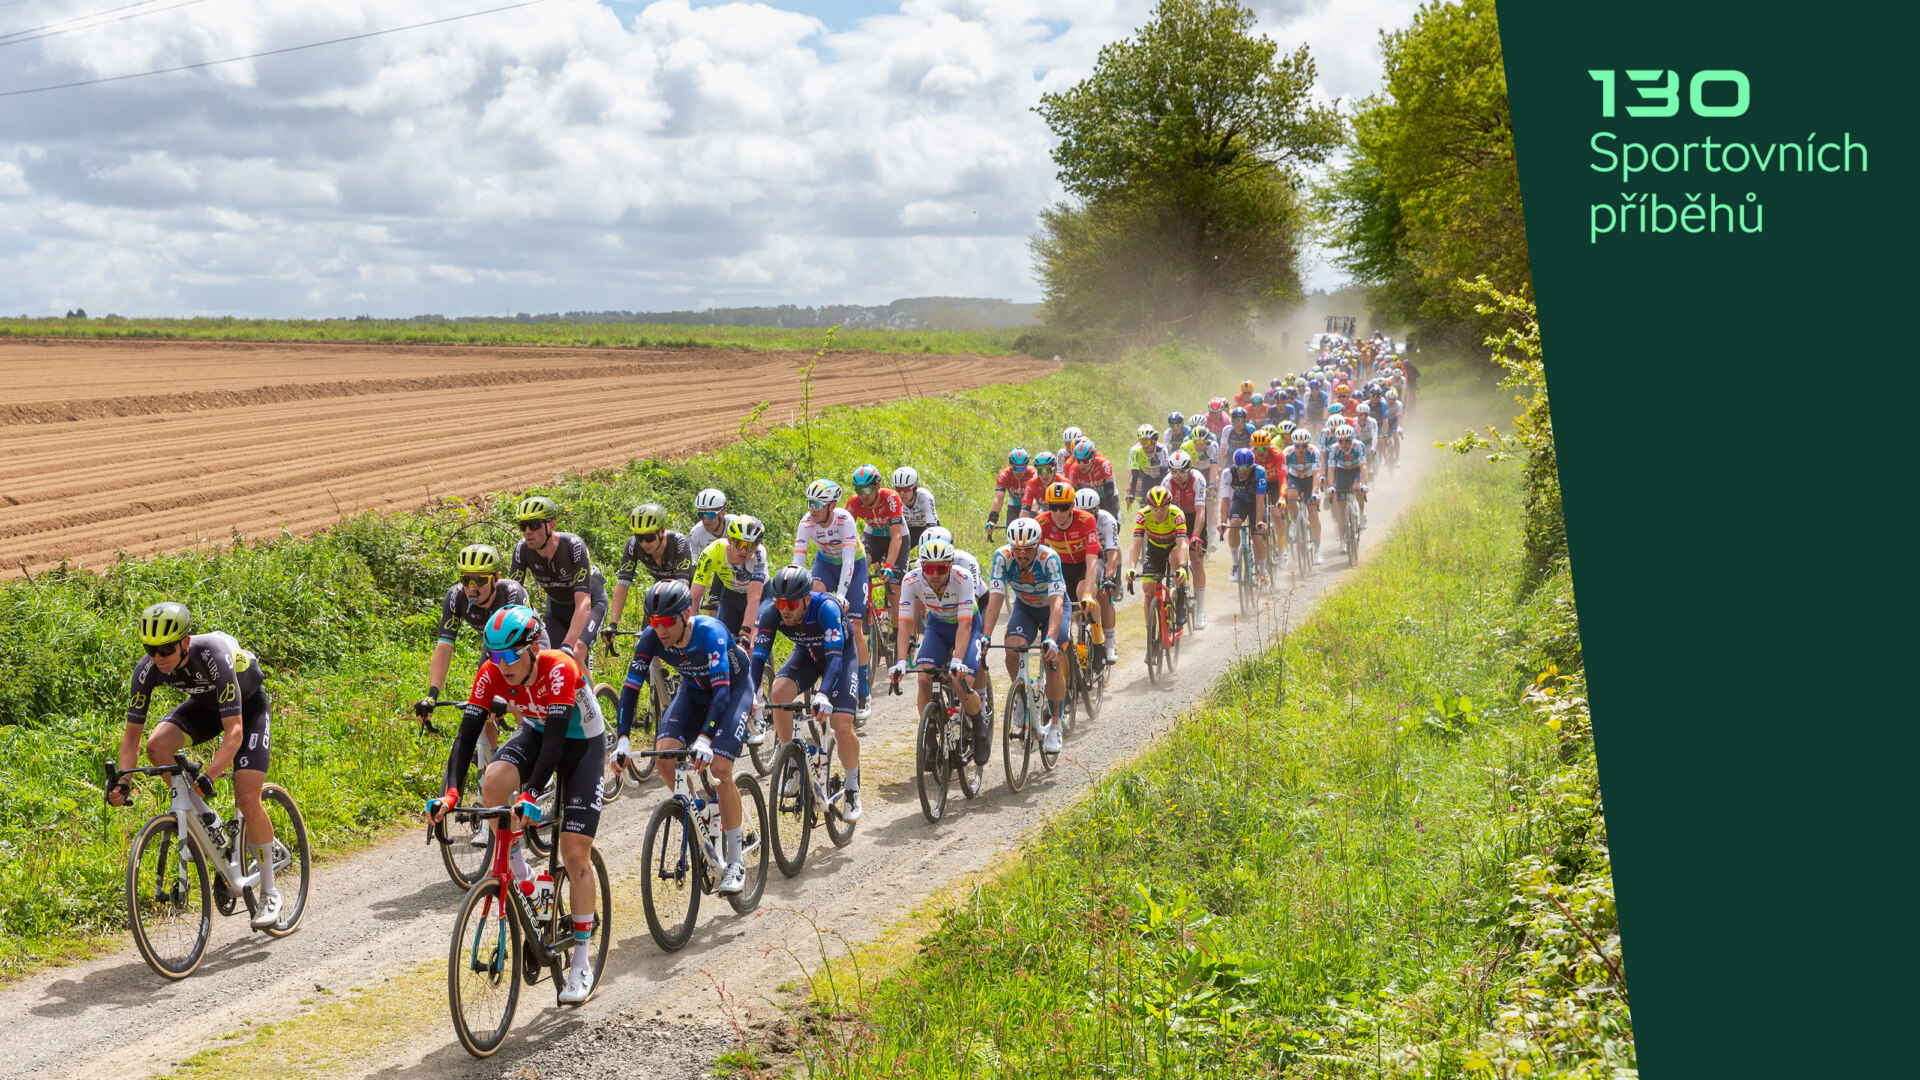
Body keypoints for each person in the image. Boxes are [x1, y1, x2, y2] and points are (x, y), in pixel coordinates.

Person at [428, 604, 604, 1003]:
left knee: (574, 854)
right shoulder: (491, 673)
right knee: (491, 785)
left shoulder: (559, 667)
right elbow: (466, 736)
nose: (501, 664)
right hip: (538, 732)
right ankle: (522, 874)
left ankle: (580, 960)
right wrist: (452, 793)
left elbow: (559, 742)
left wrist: (529, 794)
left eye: (509, 655)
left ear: (531, 650)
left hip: (582, 745)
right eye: (493, 654)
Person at [109, 602, 286, 930]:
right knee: (157, 747)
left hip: (247, 709)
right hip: (207, 707)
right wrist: (123, 781)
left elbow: (234, 731)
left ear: (185, 643)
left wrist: (210, 775)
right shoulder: (147, 669)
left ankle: (270, 893)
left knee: (247, 797)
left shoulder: (213, 654)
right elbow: (132, 736)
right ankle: (210, 820)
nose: (158, 657)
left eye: (166, 649)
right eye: (151, 649)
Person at [613, 581, 754, 890]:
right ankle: (700, 813)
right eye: (653, 621)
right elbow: (631, 686)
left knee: (719, 769)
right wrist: (623, 737)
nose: (659, 629)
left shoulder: (710, 632)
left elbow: (721, 693)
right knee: (665, 757)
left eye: (666, 621)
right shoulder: (652, 637)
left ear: (686, 613)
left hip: (731, 692)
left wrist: (705, 738)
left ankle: (735, 860)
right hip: (694, 690)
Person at [749, 567, 863, 821]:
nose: (785, 610)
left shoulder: (827, 609)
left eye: (791, 604)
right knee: (778, 694)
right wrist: (750, 696)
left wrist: (823, 694)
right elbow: (757, 660)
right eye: (780, 603)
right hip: (808, 655)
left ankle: (853, 787)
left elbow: (834, 659)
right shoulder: (772, 613)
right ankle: (792, 764)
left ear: (807, 599)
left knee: (841, 725)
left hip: (840, 658)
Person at [509, 496, 609, 731]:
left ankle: (595, 722)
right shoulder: (522, 550)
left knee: (575, 652)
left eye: (534, 525)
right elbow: (513, 598)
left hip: (590, 603)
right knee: (546, 659)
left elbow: (583, 602)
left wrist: (568, 644)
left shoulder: (573, 546)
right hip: (556, 607)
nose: (527, 531)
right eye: (522, 526)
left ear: (551, 525)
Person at [891, 539, 990, 766]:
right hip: (937, 626)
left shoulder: (963, 578)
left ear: (951, 566)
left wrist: (956, 660)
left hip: (967, 625)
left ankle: (979, 726)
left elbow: (965, 624)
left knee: (960, 681)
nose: (934, 575)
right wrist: (900, 661)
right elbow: (905, 623)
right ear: (921, 566)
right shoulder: (911, 580)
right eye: (929, 568)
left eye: (941, 569)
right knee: (924, 677)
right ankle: (930, 737)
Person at [978, 518, 1067, 754]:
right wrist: (985, 636)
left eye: (1027, 549)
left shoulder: (1049, 559)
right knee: (1012, 648)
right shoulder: (1002, 557)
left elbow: (1057, 600)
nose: (1021, 554)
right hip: (1025, 607)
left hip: (1052, 608)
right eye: (1017, 549)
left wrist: (1050, 637)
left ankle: (1056, 724)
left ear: (1037, 546)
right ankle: (1021, 697)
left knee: (1053, 659)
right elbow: (996, 596)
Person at [792, 478, 875, 720]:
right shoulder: (806, 522)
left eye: (818, 503)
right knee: (812, 603)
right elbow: (798, 562)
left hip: (854, 565)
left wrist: (841, 594)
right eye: (810, 502)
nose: (812, 508)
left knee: (856, 626)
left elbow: (849, 560)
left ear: (832, 505)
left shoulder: (845, 520)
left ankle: (863, 690)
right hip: (825, 564)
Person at [1036, 479, 1107, 665]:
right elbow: (1035, 557)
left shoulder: (1086, 519)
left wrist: (1088, 594)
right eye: (1053, 507)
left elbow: (1092, 560)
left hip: (1088, 561)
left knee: (1083, 594)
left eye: (1064, 507)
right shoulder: (1041, 522)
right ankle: (1078, 642)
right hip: (1063, 565)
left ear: (1072, 505)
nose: (1058, 513)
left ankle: (1099, 641)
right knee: (1066, 606)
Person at [689, 515, 770, 639]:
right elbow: (695, 596)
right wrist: (689, 625)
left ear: (757, 545)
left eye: (749, 546)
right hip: (731, 595)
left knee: (752, 641)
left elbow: (754, 597)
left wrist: (745, 632)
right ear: (729, 539)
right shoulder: (711, 552)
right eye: (739, 543)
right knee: (722, 640)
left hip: (762, 596)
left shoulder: (759, 553)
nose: (743, 551)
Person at [1127, 488, 1192, 633]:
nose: (1159, 513)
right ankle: (1151, 636)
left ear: (1169, 506)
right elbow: (1136, 542)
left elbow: (1182, 543)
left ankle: (1181, 599)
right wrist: (1131, 567)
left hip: (1173, 547)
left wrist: (1182, 567)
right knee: (1148, 591)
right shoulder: (1143, 515)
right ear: (1149, 507)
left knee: (1174, 559)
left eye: (1163, 509)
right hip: (1155, 549)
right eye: (1154, 509)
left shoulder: (1177, 514)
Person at [847, 464, 909, 617]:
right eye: (858, 490)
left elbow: (896, 536)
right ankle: (863, 606)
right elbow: (846, 534)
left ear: (878, 486)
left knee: (894, 591)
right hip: (873, 537)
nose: (863, 495)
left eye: (867, 489)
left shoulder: (891, 497)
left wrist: (888, 565)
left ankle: (898, 637)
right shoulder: (854, 502)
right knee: (859, 564)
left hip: (895, 538)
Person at [1074, 486, 1123, 661]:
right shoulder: (1072, 521)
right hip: (1082, 561)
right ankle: (1082, 632)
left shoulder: (1107, 520)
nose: (1084, 516)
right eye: (1080, 512)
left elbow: (1112, 554)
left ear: (1097, 510)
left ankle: (1109, 643)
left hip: (1103, 560)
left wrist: (1109, 578)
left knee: (1102, 593)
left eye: (1089, 512)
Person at [1163, 451, 1209, 627]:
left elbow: (1201, 511)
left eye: (1181, 472)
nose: (1178, 476)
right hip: (1176, 520)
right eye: (1174, 472)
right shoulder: (1167, 483)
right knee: (1175, 558)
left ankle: (1201, 612)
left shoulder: (1198, 479)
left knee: (1196, 561)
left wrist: (1196, 535)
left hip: (1195, 518)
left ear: (1189, 469)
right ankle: (1181, 593)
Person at [1216, 448, 1271, 583]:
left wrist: (1259, 521)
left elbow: (1260, 499)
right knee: (1234, 524)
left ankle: (1263, 574)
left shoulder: (1259, 472)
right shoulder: (1228, 473)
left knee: (1257, 538)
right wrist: (1223, 521)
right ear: (1236, 465)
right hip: (1239, 501)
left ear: (1251, 465)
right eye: (1241, 467)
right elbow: (1226, 499)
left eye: (1247, 467)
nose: (1244, 470)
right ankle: (1235, 565)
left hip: (1255, 502)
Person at [1323, 424, 1370, 552]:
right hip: (1341, 472)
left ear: (1351, 439)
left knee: (1357, 488)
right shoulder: (1333, 448)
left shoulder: (1358, 445)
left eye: (1346, 441)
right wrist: (1331, 486)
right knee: (1341, 508)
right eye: (1341, 441)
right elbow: (1331, 469)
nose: (1343, 444)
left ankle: (1361, 512)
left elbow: (1363, 466)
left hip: (1355, 470)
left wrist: (1364, 484)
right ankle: (1343, 541)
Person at [1283, 427, 1326, 563]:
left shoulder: (1314, 451)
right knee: (1290, 495)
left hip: (1309, 479)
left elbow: (1316, 474)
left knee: (1313, 513)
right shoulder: (1287, 453)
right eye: (1298, 446)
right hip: (1294, 477)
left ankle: (1317, 550)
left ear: (1308, 444)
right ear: (1293, 444)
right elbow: (1283, 475)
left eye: (1304, 446)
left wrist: (1315, 492)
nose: (1301, 449)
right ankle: (1295, 521)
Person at [1065, 437, 1119, 520]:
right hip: (1090, 498)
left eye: (1085, 461)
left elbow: (1109, 491)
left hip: (1107, 494)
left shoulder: (1103, 463)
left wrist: (1108, 514)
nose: (1081, 465)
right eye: (1078, 461)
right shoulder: (1073, 469)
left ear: (1093, 459)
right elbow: (1071, 494)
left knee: (1113, 521)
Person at [987, 448, 1036, 538]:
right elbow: (998, 499)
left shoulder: (1033, 473)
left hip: (1031, 505)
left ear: (1027, 465)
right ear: (1010, 465)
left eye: (1023, 468)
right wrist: (992, 520)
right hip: (1014, 504)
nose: (1019, 472)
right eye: (1015, 468)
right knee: (1012, 536)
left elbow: (1036, 499)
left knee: (1031, 535)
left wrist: (1032, 515)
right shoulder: (1004, 475)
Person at [893, 466, 939, 552]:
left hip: (927, 527)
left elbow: (931, 529)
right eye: (898, 489)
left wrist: (925, 551)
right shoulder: (894, 500)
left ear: (915, 487)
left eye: (906, 489)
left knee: (935, 553)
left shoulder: (925, 497)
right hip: (909, 530)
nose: (902, 493)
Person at [1126, 424, 1168, 512]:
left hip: (1162, 476)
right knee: (1143, 504)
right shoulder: (1135, 451)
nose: (1146, 445)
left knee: (1163, 502)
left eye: (1148, 442)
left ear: (1154, 441)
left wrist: (1161, 491)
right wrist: (1132, 493)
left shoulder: (1162, 450)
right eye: (1143, 442)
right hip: (1147, 476)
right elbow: (1134, 473)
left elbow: (1163, 474)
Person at [1019, 451, 1060, 519]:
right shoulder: (1031, 484)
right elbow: (1024, 512)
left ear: (1055, 469)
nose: (1044, 475)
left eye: (1047, 470)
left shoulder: (1063, 484)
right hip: (1042, 515)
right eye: (1040, 471)